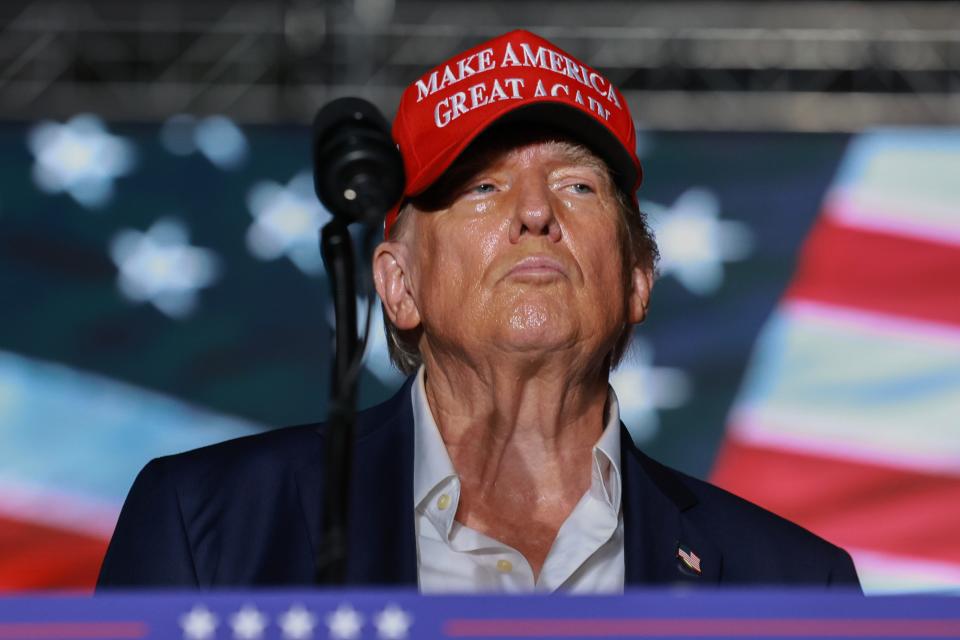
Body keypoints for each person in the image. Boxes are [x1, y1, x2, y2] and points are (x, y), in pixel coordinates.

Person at [98, 30, 860, 591]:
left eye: (578, 186)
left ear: (636, 279)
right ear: (399, 286)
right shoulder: (207, 528)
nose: (535, 213)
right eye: (481, 188)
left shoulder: (794, 585)